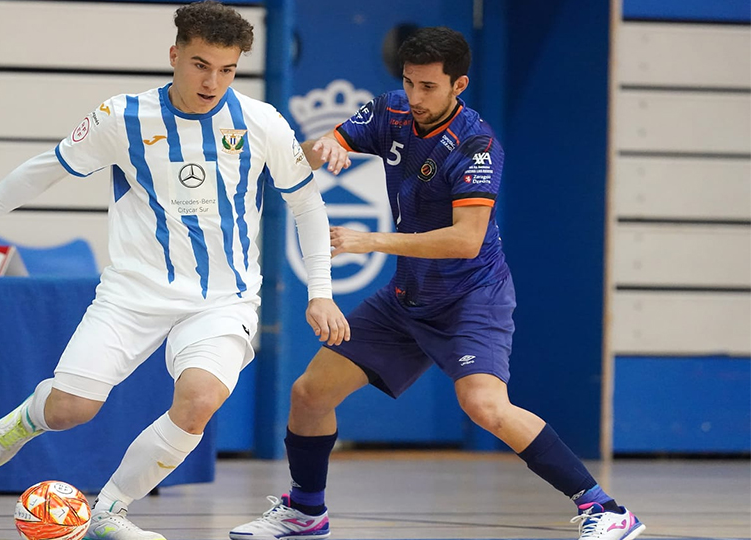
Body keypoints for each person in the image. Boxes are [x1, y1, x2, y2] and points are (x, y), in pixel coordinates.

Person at [0, 3, 350, 540]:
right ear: (174, 55)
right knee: (73, 409)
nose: (213, 81)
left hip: (224, 299)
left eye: (227, 69)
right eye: (200, 64)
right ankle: (30, 416)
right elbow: (40, 172)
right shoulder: (121, 117)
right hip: (132, 293)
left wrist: (321, 292)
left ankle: (109, 513)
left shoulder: (261, 123)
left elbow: (307, 206)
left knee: (199, 402)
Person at [229, 27, 644, 540]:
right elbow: (324, 145)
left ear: (459, 84)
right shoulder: (390, 111)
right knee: (310, 394)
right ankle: (306, 511)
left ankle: (604, 507)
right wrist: (325, 150)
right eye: (409, 83)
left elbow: (466, 239)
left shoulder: (476, 144)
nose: (415, 97)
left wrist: (371, 242)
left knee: (484, 405)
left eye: (428, 87)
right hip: (406, 298)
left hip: (470, 297)